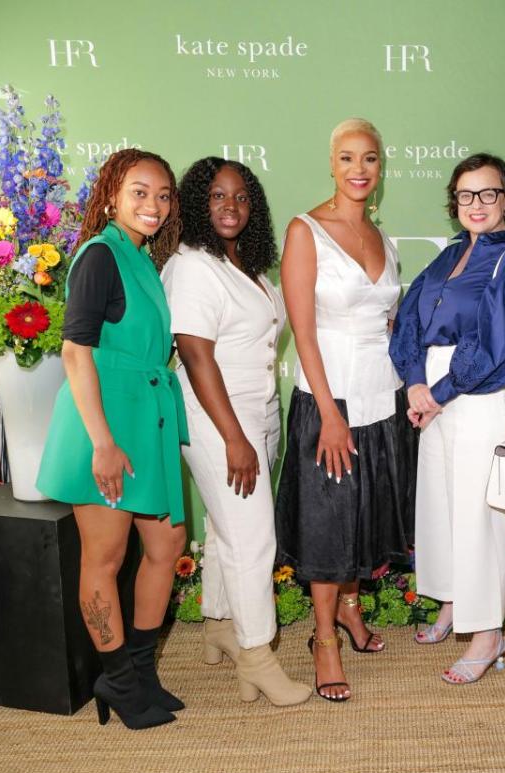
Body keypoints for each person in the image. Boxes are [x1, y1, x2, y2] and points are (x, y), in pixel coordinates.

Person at [36, 149, 186, 729]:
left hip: (144, 419)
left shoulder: (143, 258)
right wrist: (101, 442)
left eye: (163, 194)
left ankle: (140, 671)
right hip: (105, 425)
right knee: (105, 557)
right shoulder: (100, 254)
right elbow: (76, 352)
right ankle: (118, 680)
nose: (153, 204)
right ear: (112, 195)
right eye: (140, 192)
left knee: (166, 548)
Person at [274, 118, 416, 702]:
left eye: (371, 160)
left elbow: (390, 321)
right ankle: (324, 639)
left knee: (364, 515)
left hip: (383, 398)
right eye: (348, 158)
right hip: (330, 401)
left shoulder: (386, 240)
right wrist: (330, 414)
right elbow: (303, 333)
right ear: (331, 163)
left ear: (381, 169)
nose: (360, 170)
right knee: (330, 524)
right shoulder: (306, 230)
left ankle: (354, 612)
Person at [162, 157, 310, 706]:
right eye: (218, 196)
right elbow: (197, 356)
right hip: (218, 415)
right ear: (199, 203)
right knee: (253, 538)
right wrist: (234, 437)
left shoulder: (243, 262)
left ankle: (221, 623)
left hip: (257, 409)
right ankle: (257, 654)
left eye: (242, 197)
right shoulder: (193, 265)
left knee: (230, 530)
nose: (231, 206)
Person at [389, 154, 505, 684]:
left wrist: (440, 391)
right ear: (454, 204)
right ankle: (454, 604)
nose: (476, 205)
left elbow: (500, 345)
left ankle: (487, 634)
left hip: (481, 392)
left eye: (487, 194)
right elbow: (408, 320)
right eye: (465, 195)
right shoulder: (451, 254)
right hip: (434, 391)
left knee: (481, 514)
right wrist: (413, 381)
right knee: (441, 501)